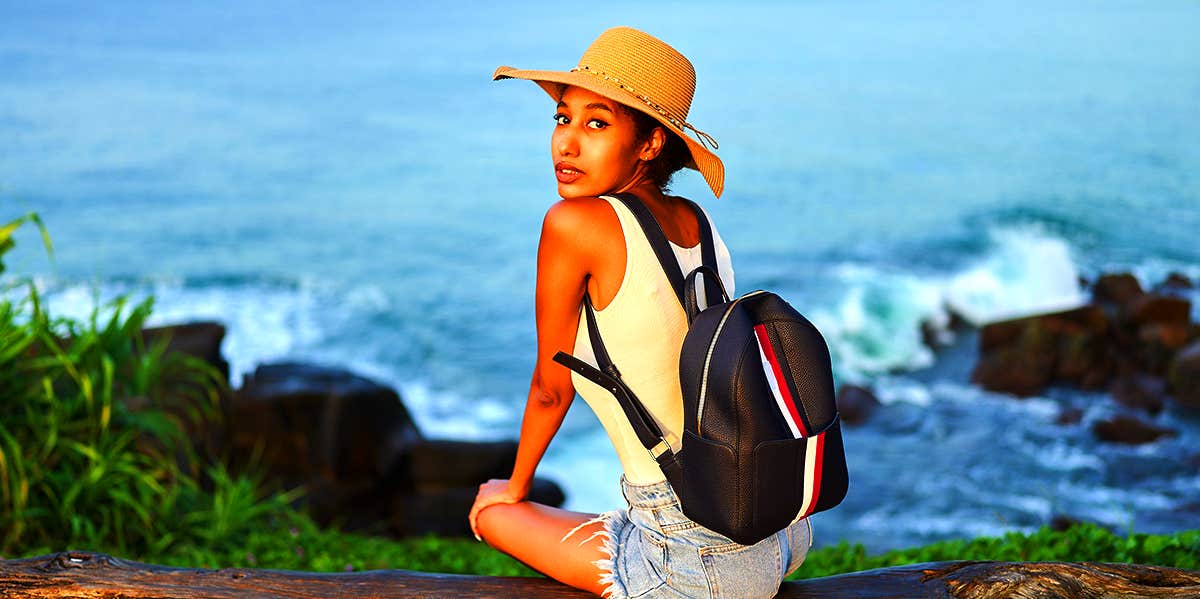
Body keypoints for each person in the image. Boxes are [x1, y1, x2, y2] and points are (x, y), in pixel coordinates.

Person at [469, 26, 812, 598]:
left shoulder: (574, 224)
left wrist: (515, 485)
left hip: (695, 555)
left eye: (596, 123)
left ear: (651, 143)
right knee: (603, 517)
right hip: (773, 521)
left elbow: (551, 389)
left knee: (490, 513)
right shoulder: (695, 222)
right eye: (563, 118)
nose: (567, 144)